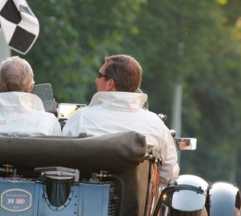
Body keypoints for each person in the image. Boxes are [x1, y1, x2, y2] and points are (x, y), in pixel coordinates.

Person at [61, 54, 179, 183]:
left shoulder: (81, 118)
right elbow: (167, 173)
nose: (96, 80)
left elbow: (62, 164)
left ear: (110, 83)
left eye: (99, 75)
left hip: (85, 201)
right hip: (137, 202)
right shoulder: (156, 124)